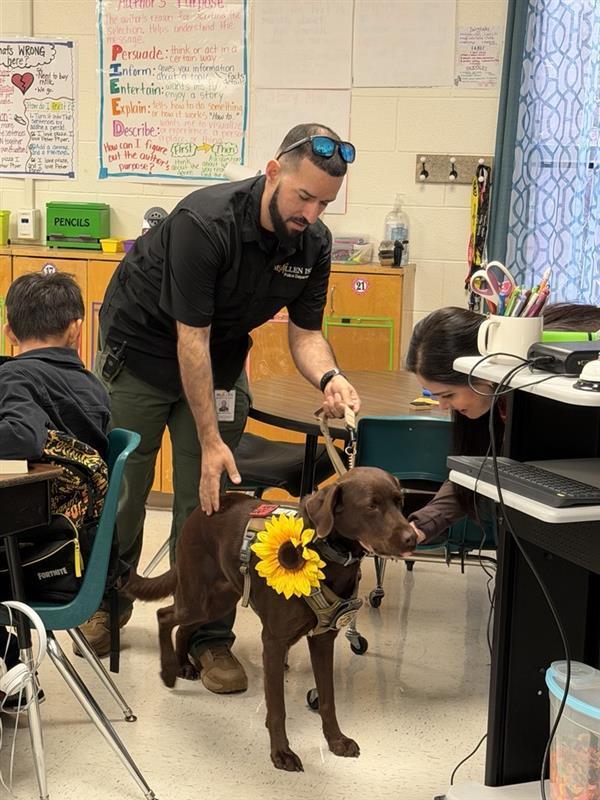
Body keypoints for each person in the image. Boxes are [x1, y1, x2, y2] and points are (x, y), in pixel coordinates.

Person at [87, 123, 362, 692]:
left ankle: (208, 639)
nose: (310, 212)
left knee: (209, 503)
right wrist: (210, 440)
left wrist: (330, 377)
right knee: (126, 489)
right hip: (141, 354)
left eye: (324, 203)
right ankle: (105, 606)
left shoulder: (313, 244)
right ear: (272, 173)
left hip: (220, 360)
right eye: (302, 195)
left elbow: (306, 335)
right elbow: (191, 338)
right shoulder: (204, 223)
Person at [0, 271, 110, 708]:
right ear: (77, 330)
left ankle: (13, 668)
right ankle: (13, 670)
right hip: (73, 559)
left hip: (30, 565)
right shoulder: (93, 386)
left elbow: (22, 436)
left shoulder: (13, 378)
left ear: (9, 332)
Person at [405, 303, 600, 543]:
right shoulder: (485, 403)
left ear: (480, 373)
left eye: (448, 395)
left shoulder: (543, 387)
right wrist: (421, 525)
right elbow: (474, 470)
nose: (443, 407)